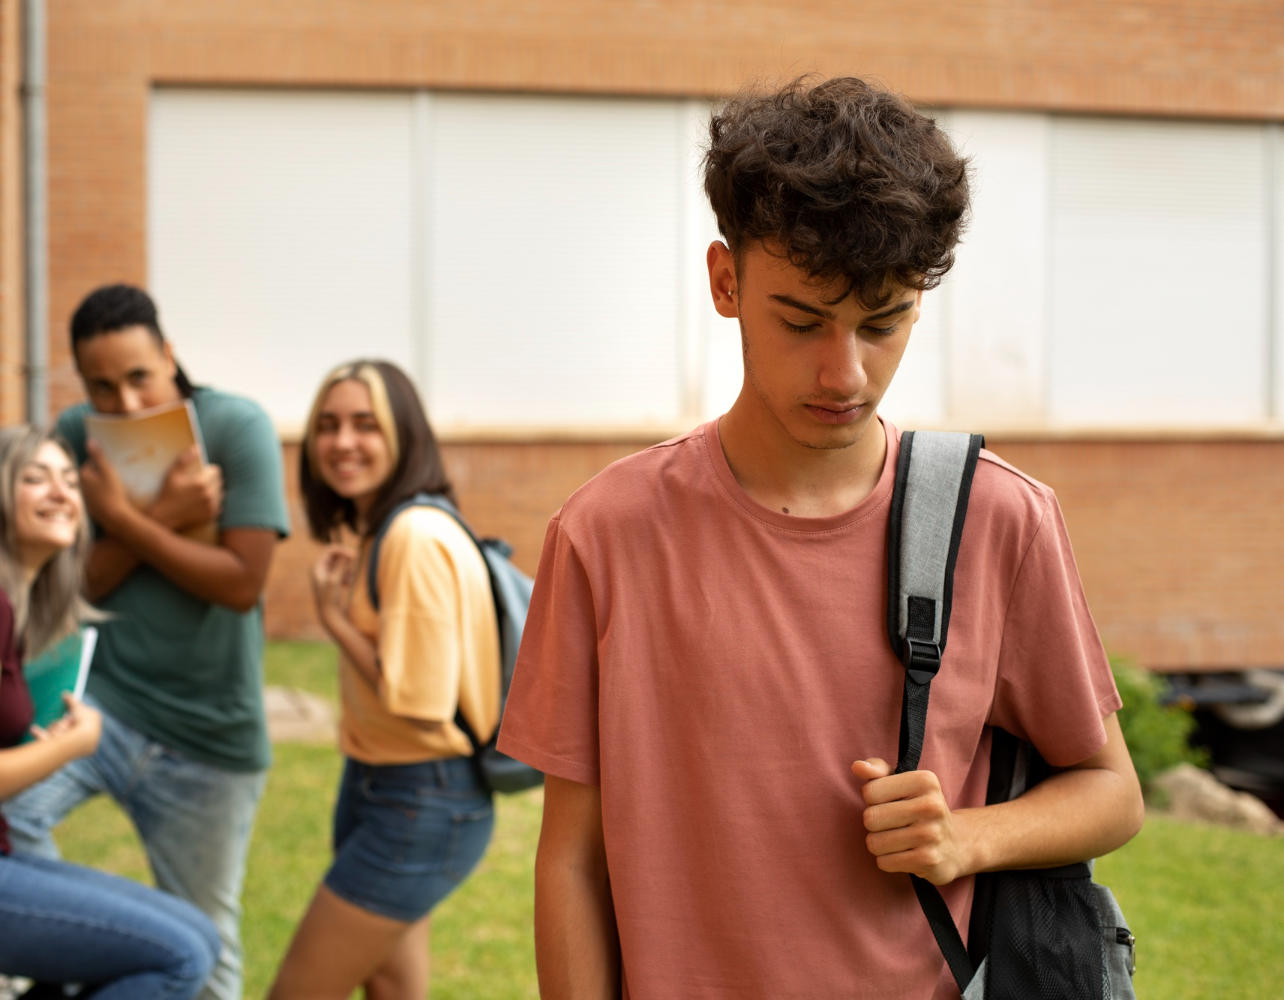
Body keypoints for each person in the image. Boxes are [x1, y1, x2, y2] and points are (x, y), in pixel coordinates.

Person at [496, 76, 1146, 999]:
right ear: (726, 282)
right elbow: (571, 858)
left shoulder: (999, 519)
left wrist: (968, 837)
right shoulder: (606, 533)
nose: (845, 374)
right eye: (802, 321)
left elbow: (1112, 791)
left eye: (883, 324)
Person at [2, 284, 290, 1000]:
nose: (125, 403)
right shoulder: (76, 434)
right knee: (2, 820)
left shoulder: (237, 427)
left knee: (209, 946)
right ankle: (80, 961)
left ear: (168, 354)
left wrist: (126, 521)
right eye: (101, 386)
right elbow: (70, 588)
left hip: (207, 735)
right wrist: (161, 516)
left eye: (139, 377)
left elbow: (241, 583)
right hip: (101, 708)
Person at [0, 426, 219, 997]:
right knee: (181, 956)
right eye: (35, 478)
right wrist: (71, 746)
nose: (62, 493)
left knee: (201, 935)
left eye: (70, 481)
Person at [268, 360, 499, 1000]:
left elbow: (421, 703)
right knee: (392, 989)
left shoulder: (414, 536)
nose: (343, 441)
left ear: (403, 435)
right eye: (328, 425)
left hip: (421, 797)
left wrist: (334, 620)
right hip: (384, 783)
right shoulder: (389, 528)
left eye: (365, 424)